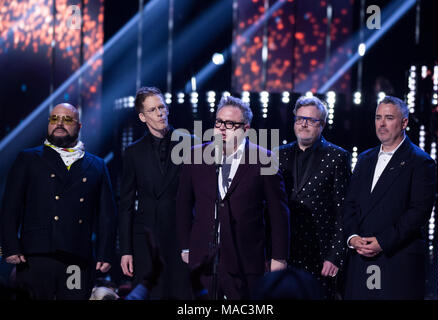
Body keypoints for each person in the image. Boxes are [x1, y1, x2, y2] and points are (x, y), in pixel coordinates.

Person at [176, 95, 290, 299]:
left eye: (230, 124)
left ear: (245, 128)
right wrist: (185, 246)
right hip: (203, 256)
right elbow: (183, 205)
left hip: (245, 257)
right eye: (219, 121)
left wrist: (279, 257)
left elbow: (278, 213)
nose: (221, 128)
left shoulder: (264, 159)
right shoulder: (194, 156)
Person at [0, 103, 116, 300]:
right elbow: (10, 207)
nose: (59, 123)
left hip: (77, 257)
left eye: (67, 119)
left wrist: (105, 253)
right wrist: (9, 246)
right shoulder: (28, 159)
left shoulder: (97, 165)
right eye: (54, 119)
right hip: (35, 255)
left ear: (79, 126)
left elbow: (107, 215)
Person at [343, 96, 436, 299]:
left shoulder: (420, 162)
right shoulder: (364, 159)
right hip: (361, 258)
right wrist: (353, 238)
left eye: (389, 117)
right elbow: (349, 204)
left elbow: (419, 212)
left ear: (404, 122)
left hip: (397, 260)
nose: (382, 124)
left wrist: (383, 242)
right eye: (378, 117)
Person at [119, 86, 192, 299]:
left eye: (162, 107)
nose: (160, 113)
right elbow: (125, 205)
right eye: (153, 110)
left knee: (180, 294)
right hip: (146, 240)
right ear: (142, 117)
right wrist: (126, 250)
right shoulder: (133, 152)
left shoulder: (191, 143)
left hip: (181, 237)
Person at [277, 96, 351, 299]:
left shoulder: (337, 157)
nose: (304, 124)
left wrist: (335, 256)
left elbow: (343, 210)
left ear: (322, 125)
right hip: (285, 251)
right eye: (300, 118)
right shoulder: (278, 154)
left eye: (311, 120)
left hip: (320, 254)